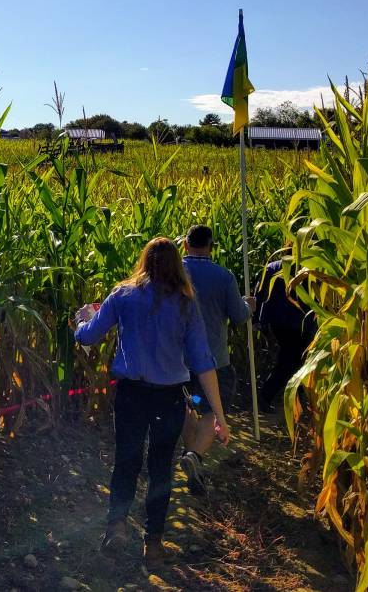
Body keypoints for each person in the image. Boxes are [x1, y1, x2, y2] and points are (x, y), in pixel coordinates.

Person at [74, 237, 231, 571]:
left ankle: (116, 527)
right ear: (177, 264)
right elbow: (203, 361)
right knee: (160, 468)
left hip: (131, 394)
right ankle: (154, 545)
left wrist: (82, 320)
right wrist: (218, 414)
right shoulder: (187, 304)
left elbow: (88, 336)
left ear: (144, 261)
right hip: (170, 397)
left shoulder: (123, 295)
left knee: (126, 461)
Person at [176, 224, 254, 496]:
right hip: (214, 360)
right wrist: (249, 305)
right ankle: (195, 455)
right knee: (211, 410)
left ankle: (190, 454)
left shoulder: (173, 274)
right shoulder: (224, 277)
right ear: (211, 247)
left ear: (185, 245)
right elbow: (239, 316)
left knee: (190, 405)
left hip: (180, 361)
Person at [254, 253, 314, 413]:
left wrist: (258, 319)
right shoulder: (309, 268)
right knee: (292, 361)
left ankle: (296, 398)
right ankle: (266, 395)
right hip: (300, 321)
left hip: (278, 321)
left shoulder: (272, 267)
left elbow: (259, 293)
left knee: (293, 360)